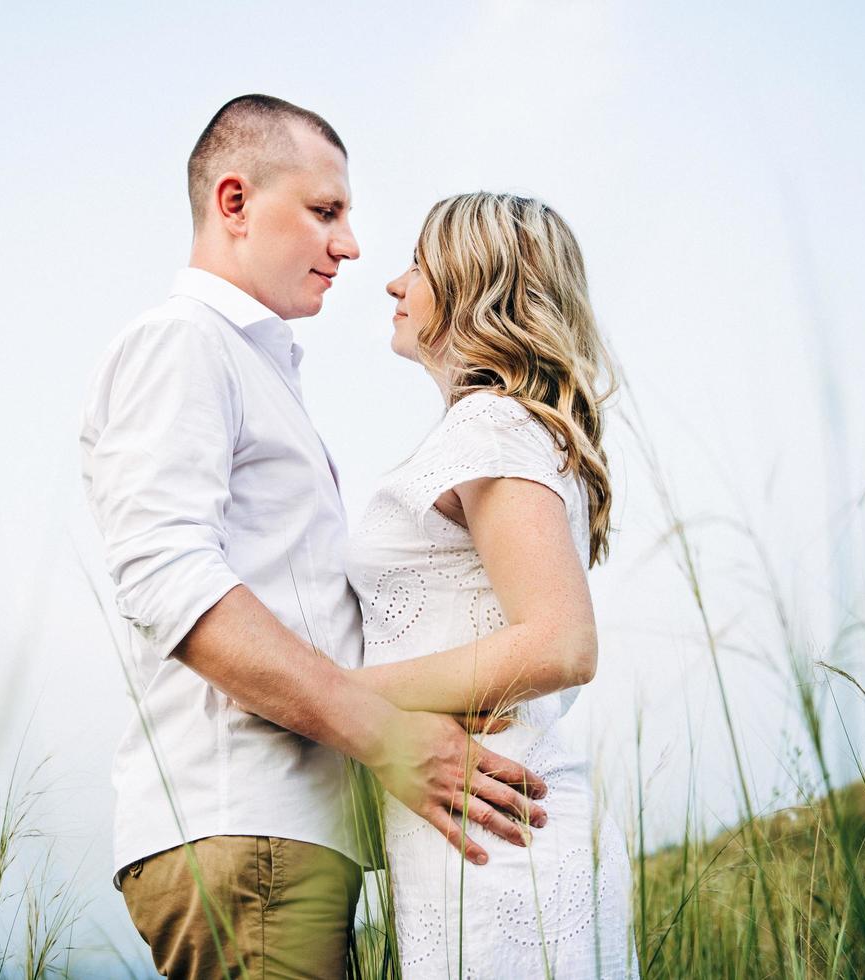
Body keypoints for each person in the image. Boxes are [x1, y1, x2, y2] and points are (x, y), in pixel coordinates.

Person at [79, 96, 548, 979]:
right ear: (234, 203)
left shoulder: (255, 369)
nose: (351, 246)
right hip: (246, 827)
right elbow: (167, 578)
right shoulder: (181, 344)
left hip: (283, 834)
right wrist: (383, 733)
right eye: (325, 211)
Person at [347, 192, 641, 977]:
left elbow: (562, 642)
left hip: (502, 831)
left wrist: (344, 696)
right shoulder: (504, 427)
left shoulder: (493, 427)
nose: (393, 284)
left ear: (475, 284)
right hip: (491, 816)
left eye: (417, 263)